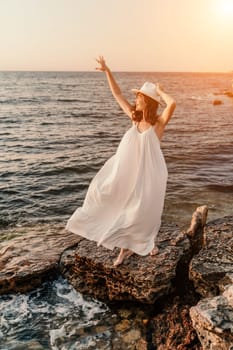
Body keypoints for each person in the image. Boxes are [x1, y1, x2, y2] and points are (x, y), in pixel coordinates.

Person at [66, 56, 176, 266]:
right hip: (127, 172)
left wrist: (160, 91)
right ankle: (127, 249)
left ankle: (144, 243)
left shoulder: (158, 124)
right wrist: (107, 70)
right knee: (108, 196)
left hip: (151, 174)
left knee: (147, 210)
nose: (136, 99)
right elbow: (117, 93)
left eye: (140, 97)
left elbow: (173, 104)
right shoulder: (134, 117)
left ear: (148, 101)